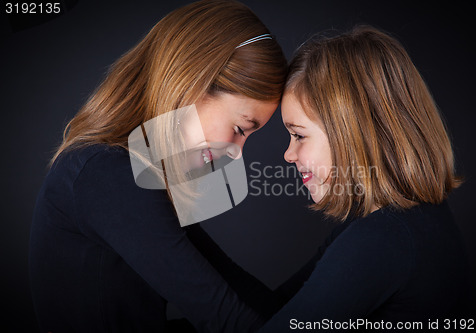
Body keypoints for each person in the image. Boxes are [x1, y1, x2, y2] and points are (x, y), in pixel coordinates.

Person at [29, 0, 287, 332]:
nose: (237, 153)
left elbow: (238, 290)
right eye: (240, 129)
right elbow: (225, 316)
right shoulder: (106, 174)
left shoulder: (133, 171)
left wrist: (345, 254)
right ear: (191, 82)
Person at [259, 26, 469, 331]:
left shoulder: (383, 241)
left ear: (352, 133)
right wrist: (176, 233)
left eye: (298, 135)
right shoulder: (399, 225)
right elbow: (274, 312)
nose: (288, 155)